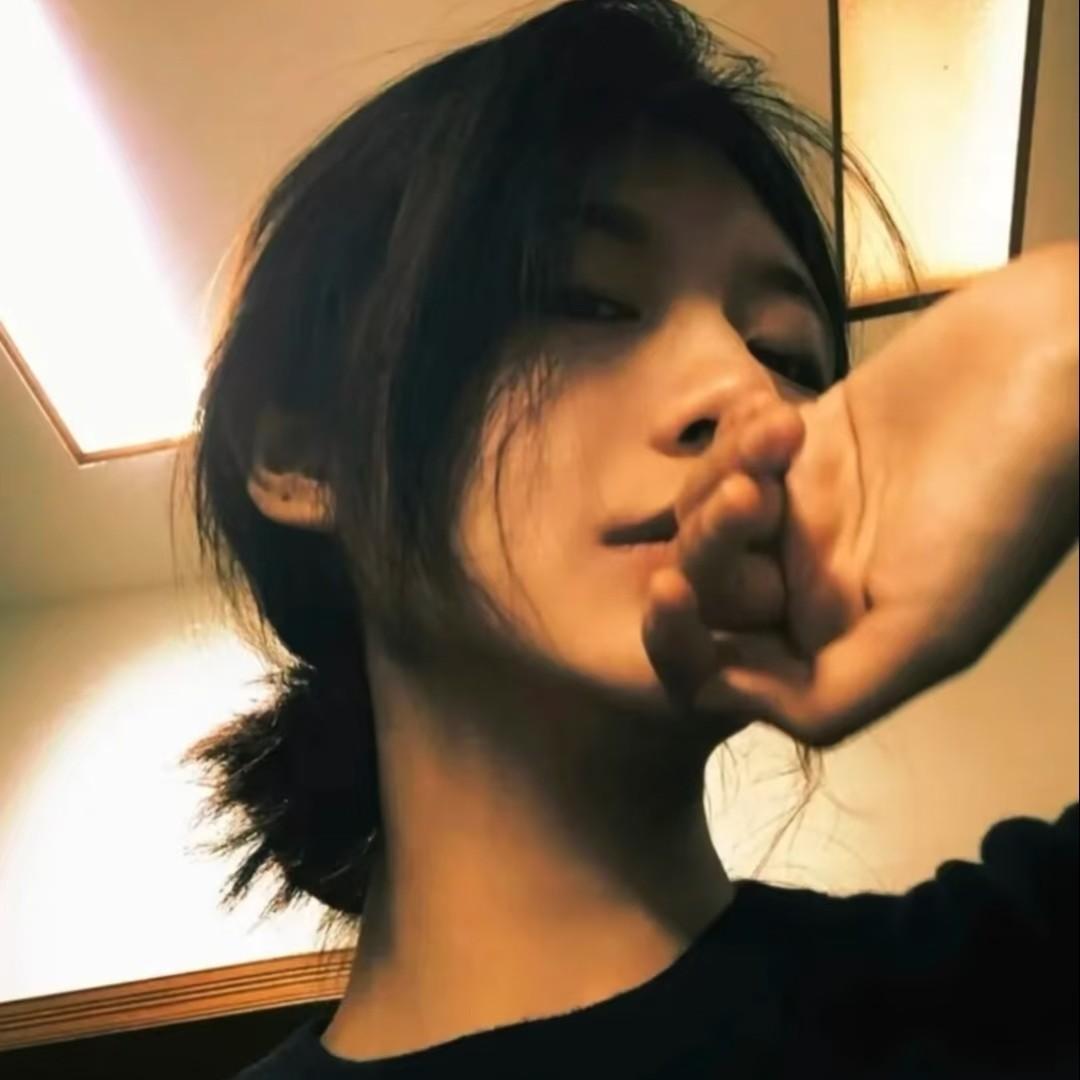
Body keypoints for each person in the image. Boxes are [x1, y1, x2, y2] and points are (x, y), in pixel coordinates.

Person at [177, 1, 1077, 1076]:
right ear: (303, 453)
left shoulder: (1011, 985)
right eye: (588, 301)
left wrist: (1059, 332)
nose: (749, 395)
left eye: (789, 354)